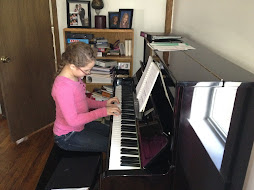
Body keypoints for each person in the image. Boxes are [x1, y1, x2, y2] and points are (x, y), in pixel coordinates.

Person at [52, 42, 121, 153]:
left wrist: (104, 104)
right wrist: (103, 112)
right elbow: (73, 121)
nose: (88, 73)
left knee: (115, 134)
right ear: (72, 66)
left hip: (81, 125)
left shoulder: (74, 77)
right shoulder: (63, 88)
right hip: (67, 135)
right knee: (113, 146)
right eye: (87, 70)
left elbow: (82, 101)